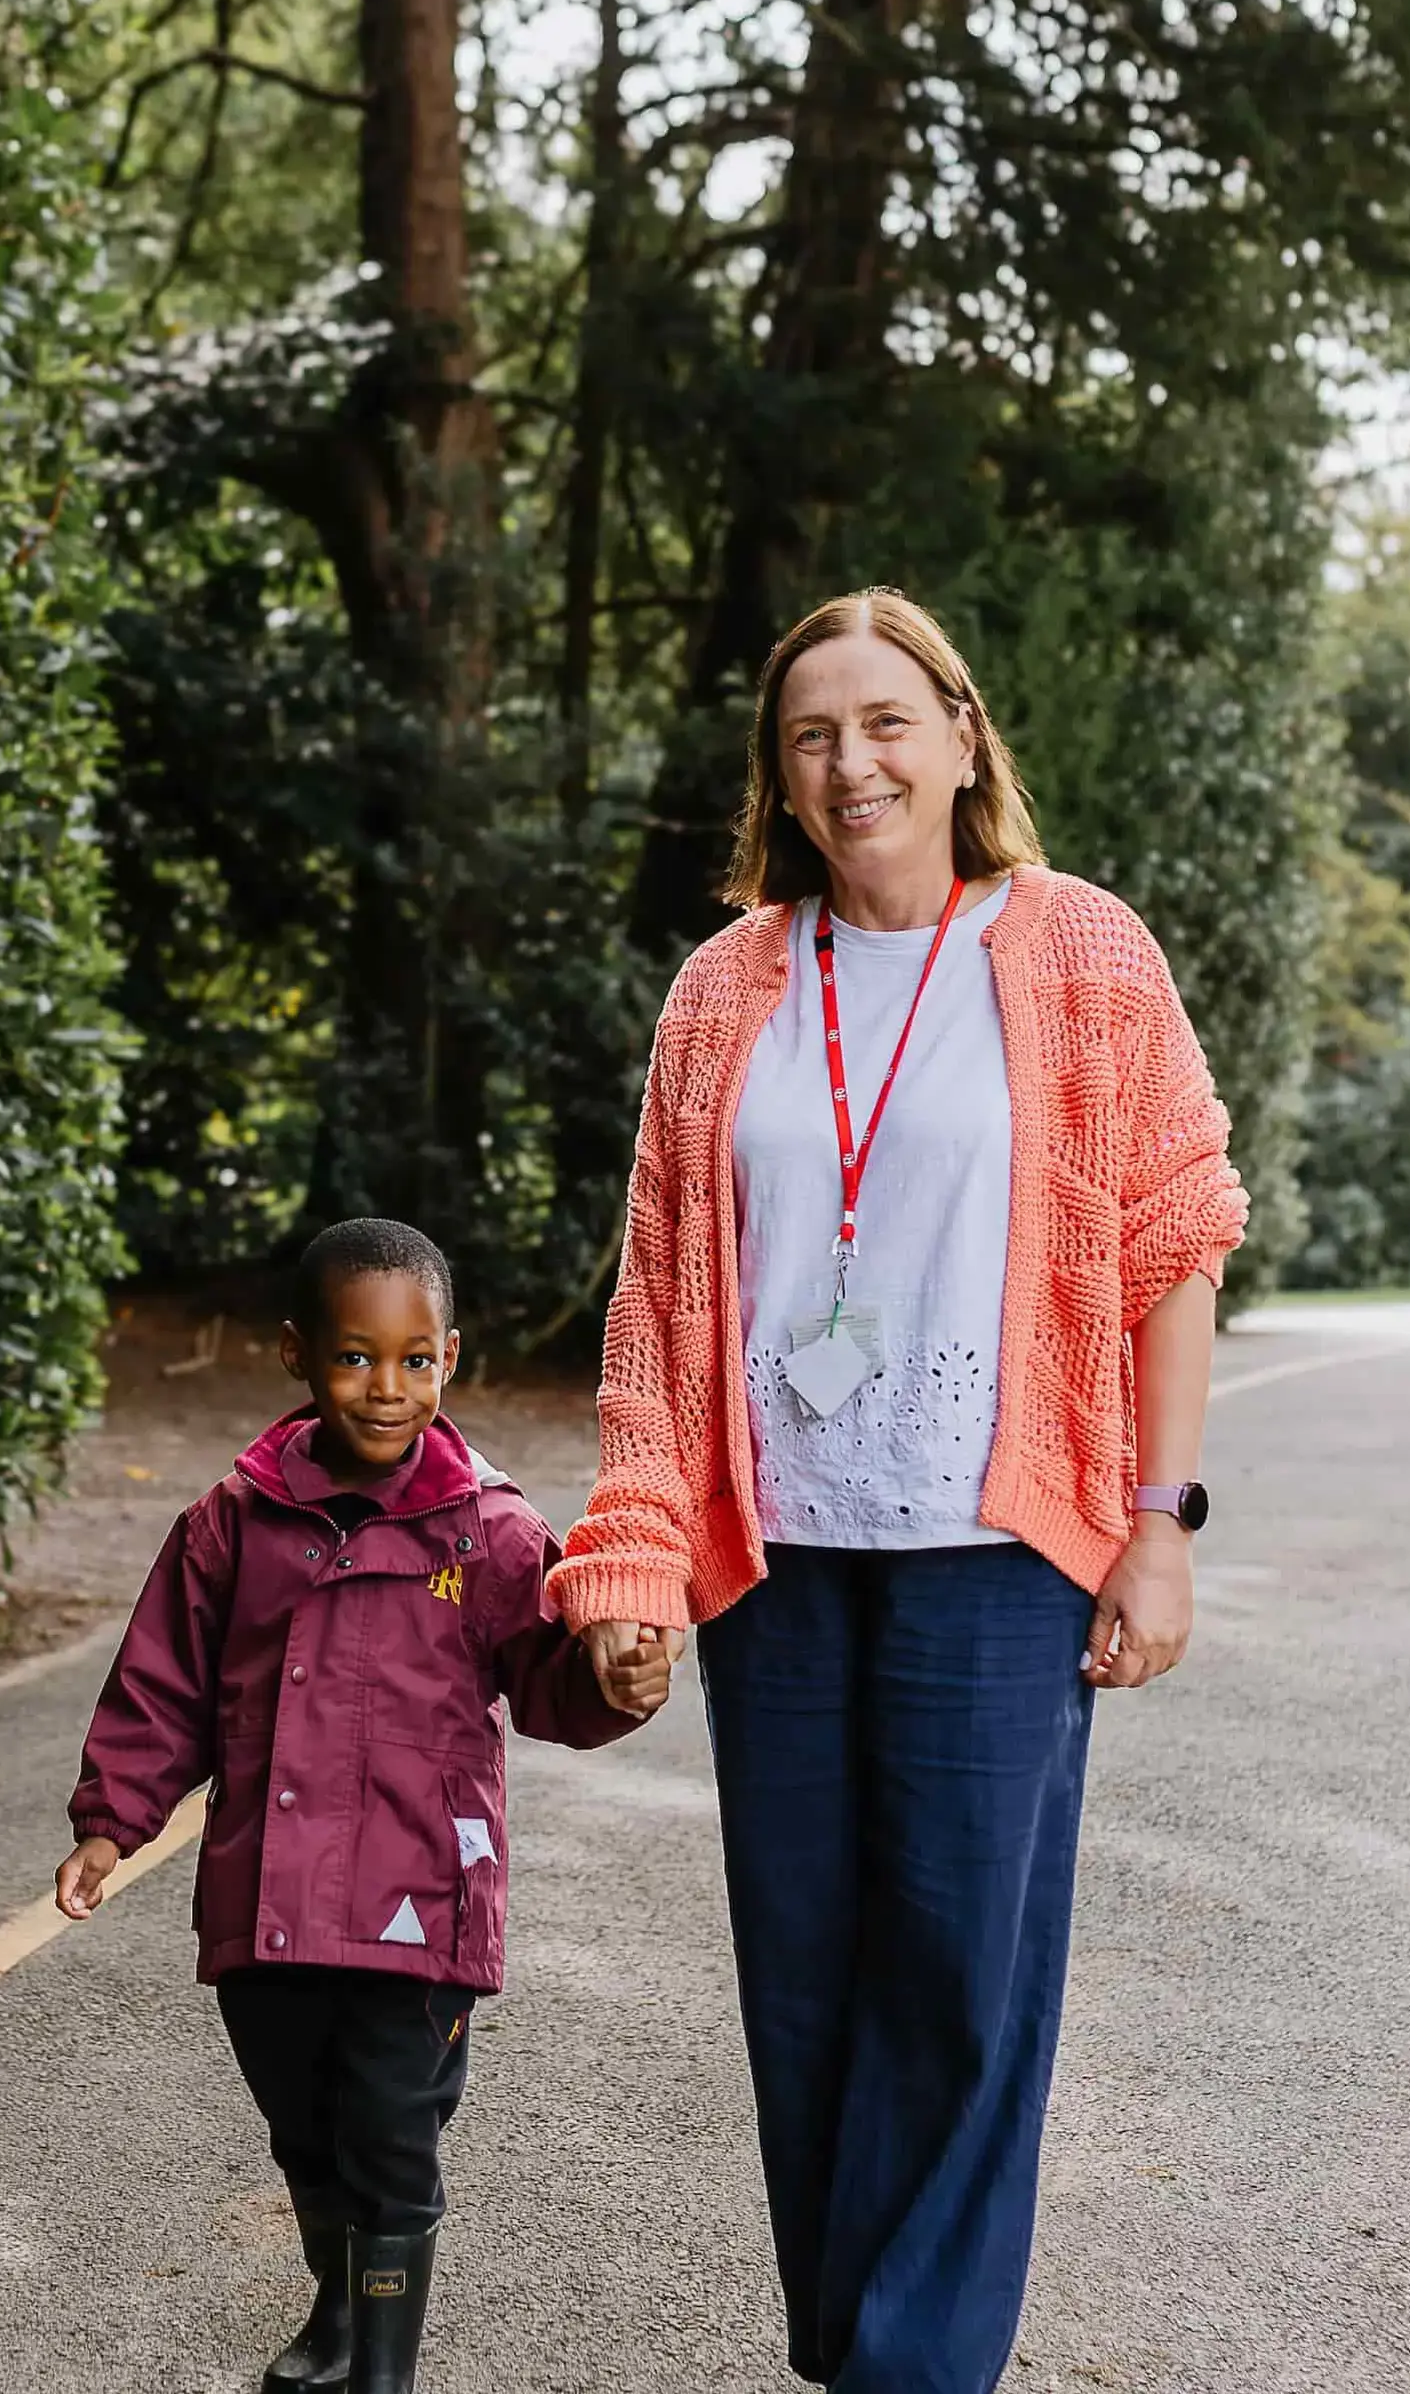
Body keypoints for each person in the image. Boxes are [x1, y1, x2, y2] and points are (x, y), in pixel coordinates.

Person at [552, 590, 1247, 2393]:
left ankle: (906, 2369)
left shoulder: (1084, 952)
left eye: (881, 723)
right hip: (775, 1553)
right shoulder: (724, 992)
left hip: (998, 1548)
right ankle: (871, 2347)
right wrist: (631, 1544)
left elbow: (1176, 1245)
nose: (847, 763)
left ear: (959, 734)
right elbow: (659, 1292)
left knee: (958, 1970)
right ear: (777, 780)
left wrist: (1158, 1530)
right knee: (802, 1973)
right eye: (808, 736)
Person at [55, 1217, 667, 2394]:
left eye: (413, 1360)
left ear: (450, 1356)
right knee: (306, 2127)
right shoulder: (233, 1522)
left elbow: (549, 1680)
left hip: (418, 1908)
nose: (385, 1389)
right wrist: (109, 1819)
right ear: (297, 1354)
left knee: (390, 2129)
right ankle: (339, 2318)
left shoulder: (490, 1529)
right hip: (268, 1898)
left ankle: (381, 2369)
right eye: (353, 1357)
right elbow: (161, 1683)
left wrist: (611, 1682)